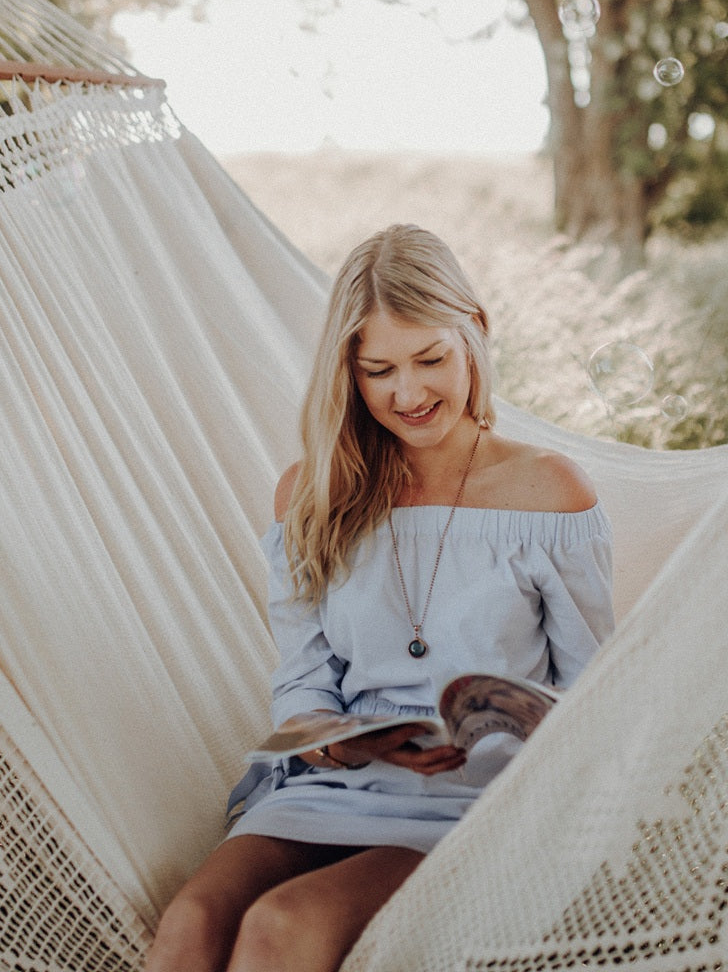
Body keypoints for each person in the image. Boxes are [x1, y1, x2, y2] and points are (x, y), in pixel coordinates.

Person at [146, 223, 614, 972]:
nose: (409, 393)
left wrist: (522, 723)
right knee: (190, 923)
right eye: (379, 370)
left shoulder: (550, 493)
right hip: (334, 781)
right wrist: (337, 739)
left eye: (430, 359)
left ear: (474, 336)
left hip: (477, 797)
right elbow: (302, 679)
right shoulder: (311, 495)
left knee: (282, 925)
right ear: (350, 374)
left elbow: (595, 693)